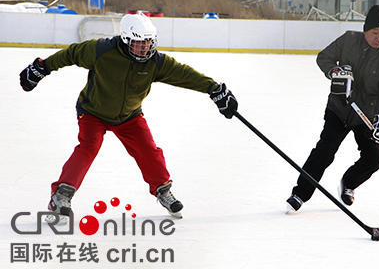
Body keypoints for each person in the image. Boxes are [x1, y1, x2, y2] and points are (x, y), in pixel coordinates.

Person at [19, 12, 238, 221]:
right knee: (88, 147)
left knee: (148, 150)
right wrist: (42, 68)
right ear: (126, 39)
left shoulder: (155, 62)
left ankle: (163, 191)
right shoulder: (100, 50)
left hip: (129, 116)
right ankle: (61, 195)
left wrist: (214, 89)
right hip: (93, 111)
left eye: (148, 43)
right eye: (139, 43)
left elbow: (184, 73)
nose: (145, 49)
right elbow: (70, 54)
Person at [286, 5, 379, 212]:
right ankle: (299, 194)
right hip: (339, 108)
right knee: (324, 152)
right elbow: (324, 57)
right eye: (375, 33)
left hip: (366, 114)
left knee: (375, 158)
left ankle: (348, 183)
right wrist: (334, 72)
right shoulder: (348, 40)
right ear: (365, 30)